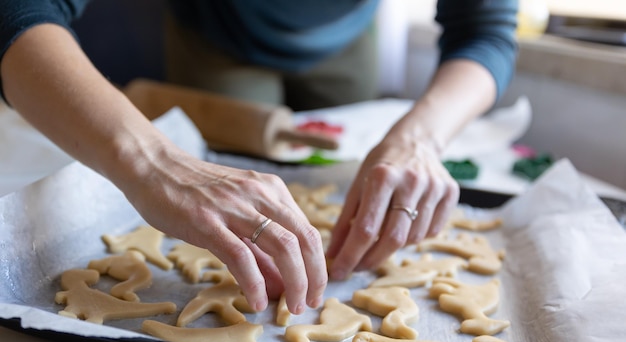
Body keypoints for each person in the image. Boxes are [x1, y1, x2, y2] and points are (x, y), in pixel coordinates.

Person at [0, 1, 518, 316]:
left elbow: (486, 30)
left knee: (343, 151)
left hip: (344, 31)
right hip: (219, 25)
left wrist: (420, 138)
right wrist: (155, 162)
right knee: (227, 144)